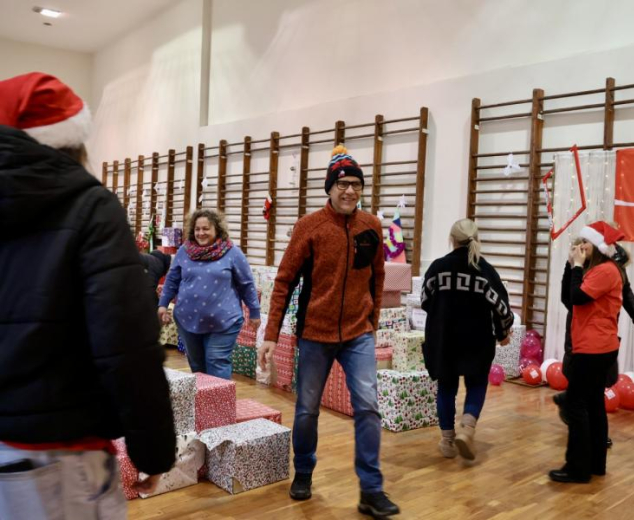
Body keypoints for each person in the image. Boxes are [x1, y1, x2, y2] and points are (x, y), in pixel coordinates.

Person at [0, 72, 175, 518]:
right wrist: (153, 450)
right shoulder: (91, 206)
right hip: (63, 452)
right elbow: (127, 344)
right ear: (74, 141)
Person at [258, 145, 399, 518]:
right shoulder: (310, 227)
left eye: (356, 184)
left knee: (368, 407)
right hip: (315, 334)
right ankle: (303, 471)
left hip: (358, 334)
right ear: (330, 187)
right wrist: (271, 333)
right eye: (342, 184)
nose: (350, 191)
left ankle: (371, 489)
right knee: (306, 411)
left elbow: (378, 276)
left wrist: (373, 321)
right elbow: (284, 281)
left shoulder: (371, 226)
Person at [420, 219, 514, 461]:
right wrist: (503, 333)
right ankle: (468, 428)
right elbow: (502, 309)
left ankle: (448, 441)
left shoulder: (437, 268)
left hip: (443, 339)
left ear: (452, 239)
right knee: (476, 384)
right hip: (477, 339)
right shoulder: (486, 270)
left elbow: (425, 301)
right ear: (476, 239)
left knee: (446, 387)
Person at [549, 221, 625, 484]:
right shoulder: (597, 271)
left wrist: (578, 267)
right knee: (593, 404)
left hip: (594, 348)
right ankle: (595, 465)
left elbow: (578, 298)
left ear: (600, 247)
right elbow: (568, 299)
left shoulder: (606, 271)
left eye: (586, 242)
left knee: (576, 405)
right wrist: (571, 266)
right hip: (593, 346)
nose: (580, 246)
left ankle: (577, 468)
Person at [556, 239, 634, 448]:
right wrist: (572, 266)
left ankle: (578, 413)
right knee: (579, 381)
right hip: (580, 331)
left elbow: (626, 290)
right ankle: (583, 425)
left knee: (599, 384)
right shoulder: (582, 266)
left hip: (600, 336)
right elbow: (570, 299)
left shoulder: (610, 268)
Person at [158, 209, 260, 380]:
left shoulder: (232, 253)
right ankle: (202, 405)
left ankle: (219, 406)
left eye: (206, 229)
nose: (201, 233)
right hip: (187, 321)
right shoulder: (184, 251)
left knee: (216, 361)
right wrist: (162, 304)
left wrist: (255, 312)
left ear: (217, 229)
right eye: (197, 229)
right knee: (197, 365)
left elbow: (247, 284)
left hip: (224, 322)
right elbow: (172, 280)